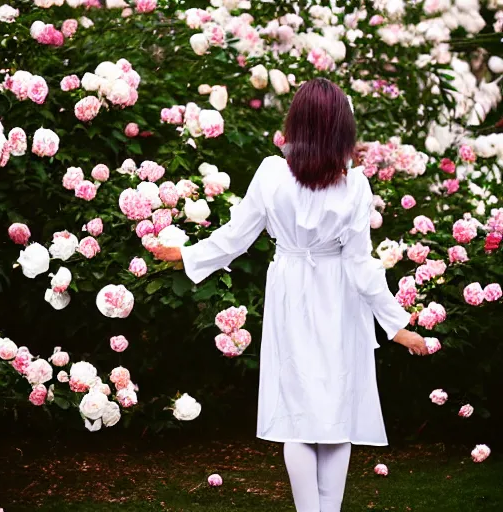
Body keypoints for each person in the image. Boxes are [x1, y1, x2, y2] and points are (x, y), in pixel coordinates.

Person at [154, 78, 428, 512]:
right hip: (338, 297)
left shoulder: (272, 174)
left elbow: (236, 236)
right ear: (342, 128)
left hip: (292, 294)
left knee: (298, 416)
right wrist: (397, 326)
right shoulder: (354, 186)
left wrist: (186, 255)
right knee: (336, 414)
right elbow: (360, 264)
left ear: (296, 123)